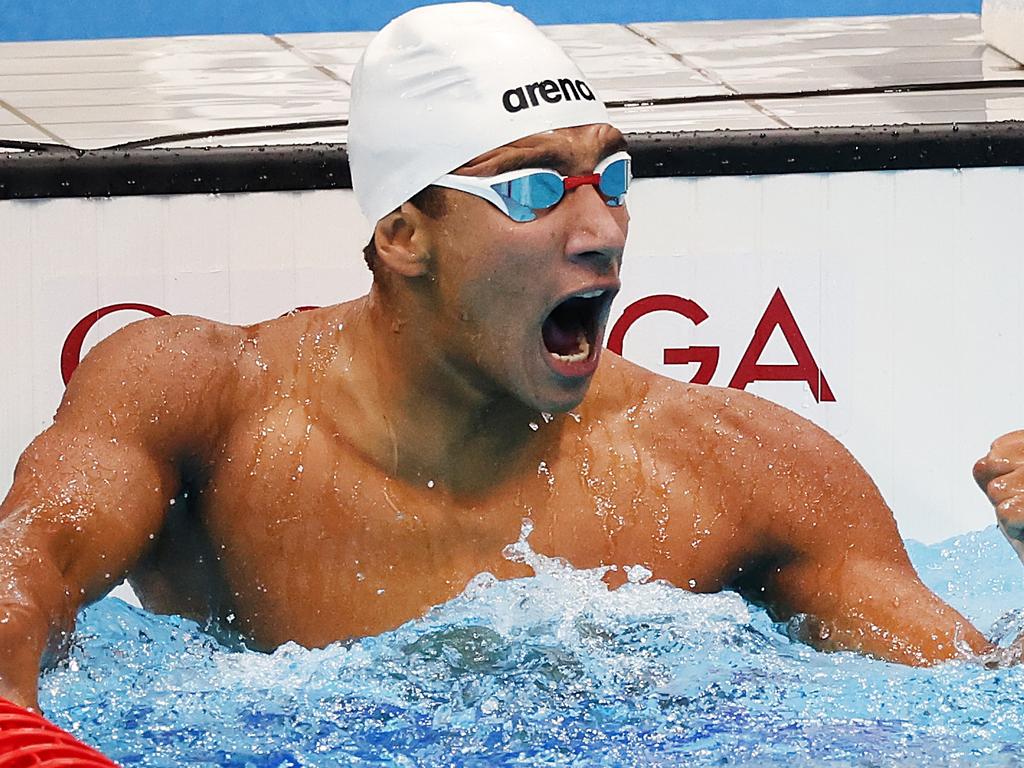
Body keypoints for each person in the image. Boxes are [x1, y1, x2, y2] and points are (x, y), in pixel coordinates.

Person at [0, 2, 1020, 712]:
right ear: (404, 234)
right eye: (534, 190)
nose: (601, 229)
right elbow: (24, 578)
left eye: (611, 177)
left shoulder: (743, 470)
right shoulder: (196, 399)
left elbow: (975, 713)